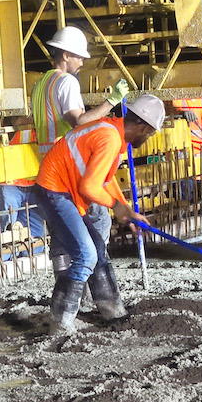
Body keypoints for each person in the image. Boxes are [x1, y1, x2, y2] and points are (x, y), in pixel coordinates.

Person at [32, 95, 165, 334]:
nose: (148, 138)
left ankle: (114, 313)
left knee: (97, 250)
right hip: (54, 191)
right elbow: (90, 187)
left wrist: (127, 210)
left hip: (65, 192)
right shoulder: (110, 138)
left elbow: (104, 178)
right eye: (151, 133)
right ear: (144, 126)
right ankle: (60, 323)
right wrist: (117, 207)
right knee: (86, 255)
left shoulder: (112, 131)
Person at [28, 25, 131, 252]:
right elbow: (80, 121)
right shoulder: (66, 82)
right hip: (69, 165)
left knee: (64, 229)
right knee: (99, 221)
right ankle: (96, 270)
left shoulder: (39, 84)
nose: (82, 63)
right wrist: (111, 101)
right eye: (79, 58)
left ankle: (68, 269)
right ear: (66, 56)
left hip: (47, 168)